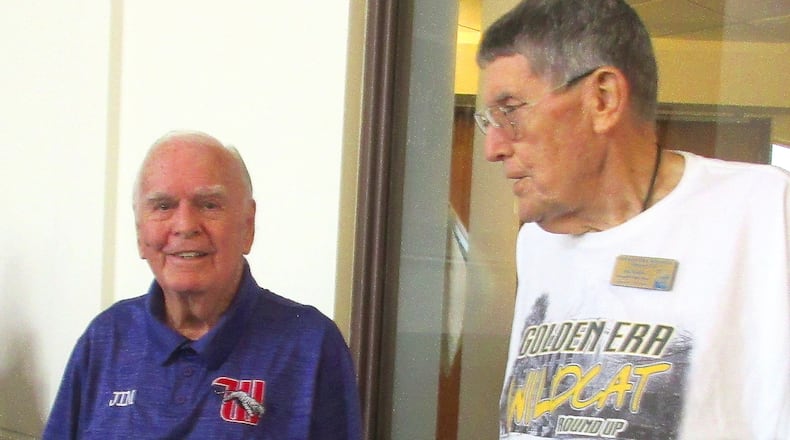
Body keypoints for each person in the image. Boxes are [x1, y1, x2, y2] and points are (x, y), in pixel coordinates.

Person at [474, 1, 789, 439]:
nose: (493, 147)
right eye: (488, 120)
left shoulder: (765, 213)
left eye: (511, 112)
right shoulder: (538, 244)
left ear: (602, 99)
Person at [43, 131, 362, 439]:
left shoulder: (310, 346)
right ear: (140, 234)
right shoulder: (105, 338)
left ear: (247, 226)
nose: (184, 226)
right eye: (163, 206)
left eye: (209, 205)